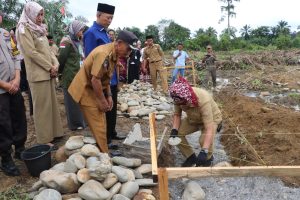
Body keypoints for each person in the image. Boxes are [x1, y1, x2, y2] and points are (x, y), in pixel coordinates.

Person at [68, 30, 138, 153]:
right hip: (85, 89)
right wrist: (102, 100)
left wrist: (109, 95)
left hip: (93, 87)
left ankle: (102, 150)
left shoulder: (114, 52)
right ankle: (105, 157)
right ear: (120, 43)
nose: (129, 52)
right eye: (128, 48)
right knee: (99, 123)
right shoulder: (103, 54)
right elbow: (95, 80)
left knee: (101, 121)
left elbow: (106, 77)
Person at [16, 1, 64, 146]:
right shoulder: (24, 29)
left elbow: (48, 50)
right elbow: (31, 52)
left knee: (51, 105)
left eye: (42, 14)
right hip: (38, 75)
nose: (41, 17)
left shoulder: (40, 28)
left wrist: (56, 64)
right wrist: (50, 67)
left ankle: (55, 133)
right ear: (30, 13)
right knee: (42, 108)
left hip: (49, 72)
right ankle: (44, 139)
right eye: (38, 14)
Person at [169, 77, 222, 167]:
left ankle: (208, 158)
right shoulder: (177, 97)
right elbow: (177, 115)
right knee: (178, 134)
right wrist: (174, 130)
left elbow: (209, 128)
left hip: (211, 119)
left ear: (187, 98)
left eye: (182, 103)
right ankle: (191, 157)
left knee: (203, 140)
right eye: (178, 103)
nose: (180, 105)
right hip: (193, 118)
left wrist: (203, 151)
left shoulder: (203, 100)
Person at [0, 13, 27, 176]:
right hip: (1, 90)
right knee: (3, 124)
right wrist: (5, 85)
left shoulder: (5, 34)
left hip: (14, 85)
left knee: (19, 117)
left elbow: (17, 56)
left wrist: (17, 78)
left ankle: (20, 148)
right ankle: (6, 159)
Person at [58, 20, 86, 131]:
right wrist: (60, 72)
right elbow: (61, 59)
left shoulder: (78, 41)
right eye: (80, 30)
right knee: (71, 102)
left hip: (78, 75)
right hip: (69, 76)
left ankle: (80, 121)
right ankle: (74, 124)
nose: (82, 32)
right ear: (74, 30)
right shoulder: (66, 42)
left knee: (78, 100)